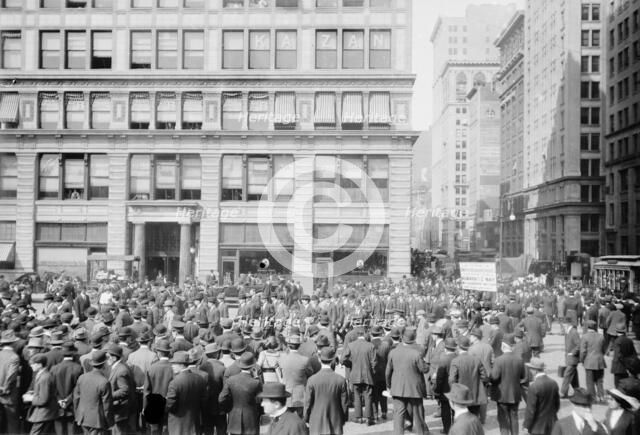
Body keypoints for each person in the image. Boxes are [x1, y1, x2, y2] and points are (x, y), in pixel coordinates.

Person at [386, 327, 430, 435]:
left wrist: (389, 385)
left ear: (402, 338)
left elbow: (388, 371)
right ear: (414, 338)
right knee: (418, 413)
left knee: (398, 413)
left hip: (397, 387)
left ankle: (398, 433)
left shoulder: (393, 352)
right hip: (414, 388)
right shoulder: (417, 352)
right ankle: (421, 432)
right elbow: (424, 369)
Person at [304, 347, 349, 435]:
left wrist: (306, 417)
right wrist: (343, 418)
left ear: (319, 360)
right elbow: (345, 403)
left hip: (316, 421)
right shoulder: (341, 380)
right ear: (333, 360)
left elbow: (308, 402)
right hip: (335, 419)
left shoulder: (312, 380)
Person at [219, 352, 262, 435]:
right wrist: (257, 377)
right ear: (253, 366)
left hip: (234, 417)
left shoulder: (230, 380)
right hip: (251, 419)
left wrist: (228, 408)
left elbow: (222, 398)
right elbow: (261, 398)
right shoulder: (256, 382)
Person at [490, 334, 526, 435]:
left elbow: (494, 377)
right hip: (515, 393)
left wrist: (490, 376)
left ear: (503, 346)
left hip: (502, 395)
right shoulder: (519, 359)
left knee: (503, 420)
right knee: (514, 418)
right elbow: (523, 376)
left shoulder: (498, 360)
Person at [165, 351, 208, 435]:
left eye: (174, 364)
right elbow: (204, 401)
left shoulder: (175, 382)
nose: (172, 366)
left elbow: (170, 404)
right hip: (194, 422)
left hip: (177, 423)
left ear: (181, 365)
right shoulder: (200, 379)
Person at [341, 325, 377, 425]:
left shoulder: (351, 345)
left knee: (356, 395)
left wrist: (350, 364)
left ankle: (359, 417)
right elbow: (374, 362)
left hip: (355, 374)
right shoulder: (370, 346)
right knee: (368, 395)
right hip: (367, 375)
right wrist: (372, 372)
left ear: (357, 335)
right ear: (365, 334)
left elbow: (342, 359)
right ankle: (369, 418)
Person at [73, 350, 115, 435]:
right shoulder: (104, 382)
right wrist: (110, 423)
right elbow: (107, 406)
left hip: (83, 418)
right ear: (104, 365)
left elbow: (76, 398)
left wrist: (78, 415)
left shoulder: (82, 378)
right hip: (97, 422)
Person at [449, 335, 488, 423]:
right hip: (475, 395)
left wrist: (453, 392)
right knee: (473, 420)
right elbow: (485, 377)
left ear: (458, 347)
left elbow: (452, 380)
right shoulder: (476, 359)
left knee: (460, 421)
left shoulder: (456, 361)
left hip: (461, 396)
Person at [51, 342, 83, 435]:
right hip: (72, 406)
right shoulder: (78, 368)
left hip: (57, 406)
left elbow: (51, 387)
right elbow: (78, 388)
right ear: (73, 354)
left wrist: (59, 400)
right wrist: (68, 401)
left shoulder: (54, 368)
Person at [105, 344, 137, 435]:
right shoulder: (120, 367)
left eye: (108, 357)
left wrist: (109, 396)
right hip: (122, 409)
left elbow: (124, 390)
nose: (106, 359)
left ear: (114, 358)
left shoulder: (121, 370)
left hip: (121, 410)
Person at [523, 358, 559, 435]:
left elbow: (530, 410)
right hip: (552, 423)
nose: (530, 371)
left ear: (534, 370)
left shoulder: (534, 387)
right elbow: (557, 405)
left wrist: (526, 426)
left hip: (537, 427)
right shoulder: (553, 383)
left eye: (530, 369)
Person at [23, 353, 58, 435]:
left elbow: (43, 400)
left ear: (39, 364)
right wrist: (33, 393)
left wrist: (30, 398)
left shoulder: (44, 378)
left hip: (44, 413)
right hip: (46, 413)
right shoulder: (42, 375)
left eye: (33, 364)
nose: (31, 366)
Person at [433, 338, 458, 434]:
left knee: (445, 411)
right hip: (456, 389)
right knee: (456, 411)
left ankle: (447, 430)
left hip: (445, 390)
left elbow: (439, 378)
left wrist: (437, 390)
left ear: (445, 348)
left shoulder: (443, 360)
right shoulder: (458, 357)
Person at [0, 330, 21, 434]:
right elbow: (11, 376)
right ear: (13, 342)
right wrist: (5, 388)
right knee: (12, 422)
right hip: (8, 394)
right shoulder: (14, 357)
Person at [580, 320, 606, 403]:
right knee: (599, 380)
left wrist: (582, 360)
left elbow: (583, 351)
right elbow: (604, 349)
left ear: (588, 327)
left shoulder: (585, 336)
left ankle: (593, 397)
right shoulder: (601, 336)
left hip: (589, 361)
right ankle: (601, 396)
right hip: (600, 361)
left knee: (590, 381)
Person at [560, 317, 581, 398]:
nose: (562, 327)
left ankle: (563, 392)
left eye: (563, 325)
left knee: (567, 374)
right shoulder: (568, 332)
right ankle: (577, 391)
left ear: (567, 324)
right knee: (573, 376)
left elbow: (579, 345)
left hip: (573, 358)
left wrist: (573, 353)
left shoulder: (574, 332)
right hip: (569, 358)